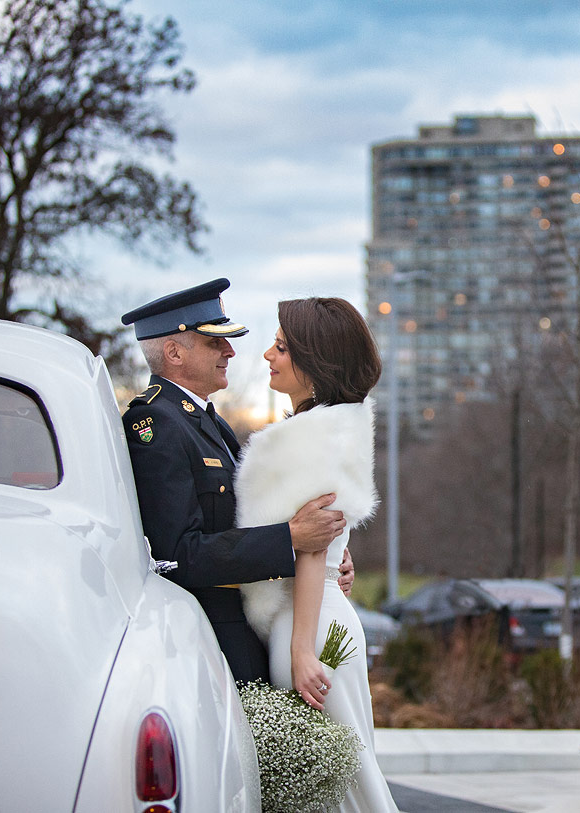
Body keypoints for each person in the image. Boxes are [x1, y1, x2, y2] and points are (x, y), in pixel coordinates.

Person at [120, 278, 355, 683]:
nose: (230, 350)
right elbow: (175, 555)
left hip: (241, 633)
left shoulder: (209, 424)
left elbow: (240, 523)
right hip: (210, 639)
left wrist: (321, 559)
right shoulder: (157, 424)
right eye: (215, 342)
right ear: (174, 352)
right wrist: (290, 539)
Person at [236, 297, 399, 812]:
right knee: (343, 782)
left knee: (339, 791)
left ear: (314, 364)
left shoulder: (308, 439)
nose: (267, 354)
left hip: (307, 627)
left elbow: (309, 550)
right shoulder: (336, 430)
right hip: (325, 618)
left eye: (281, 347)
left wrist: (302, 651)